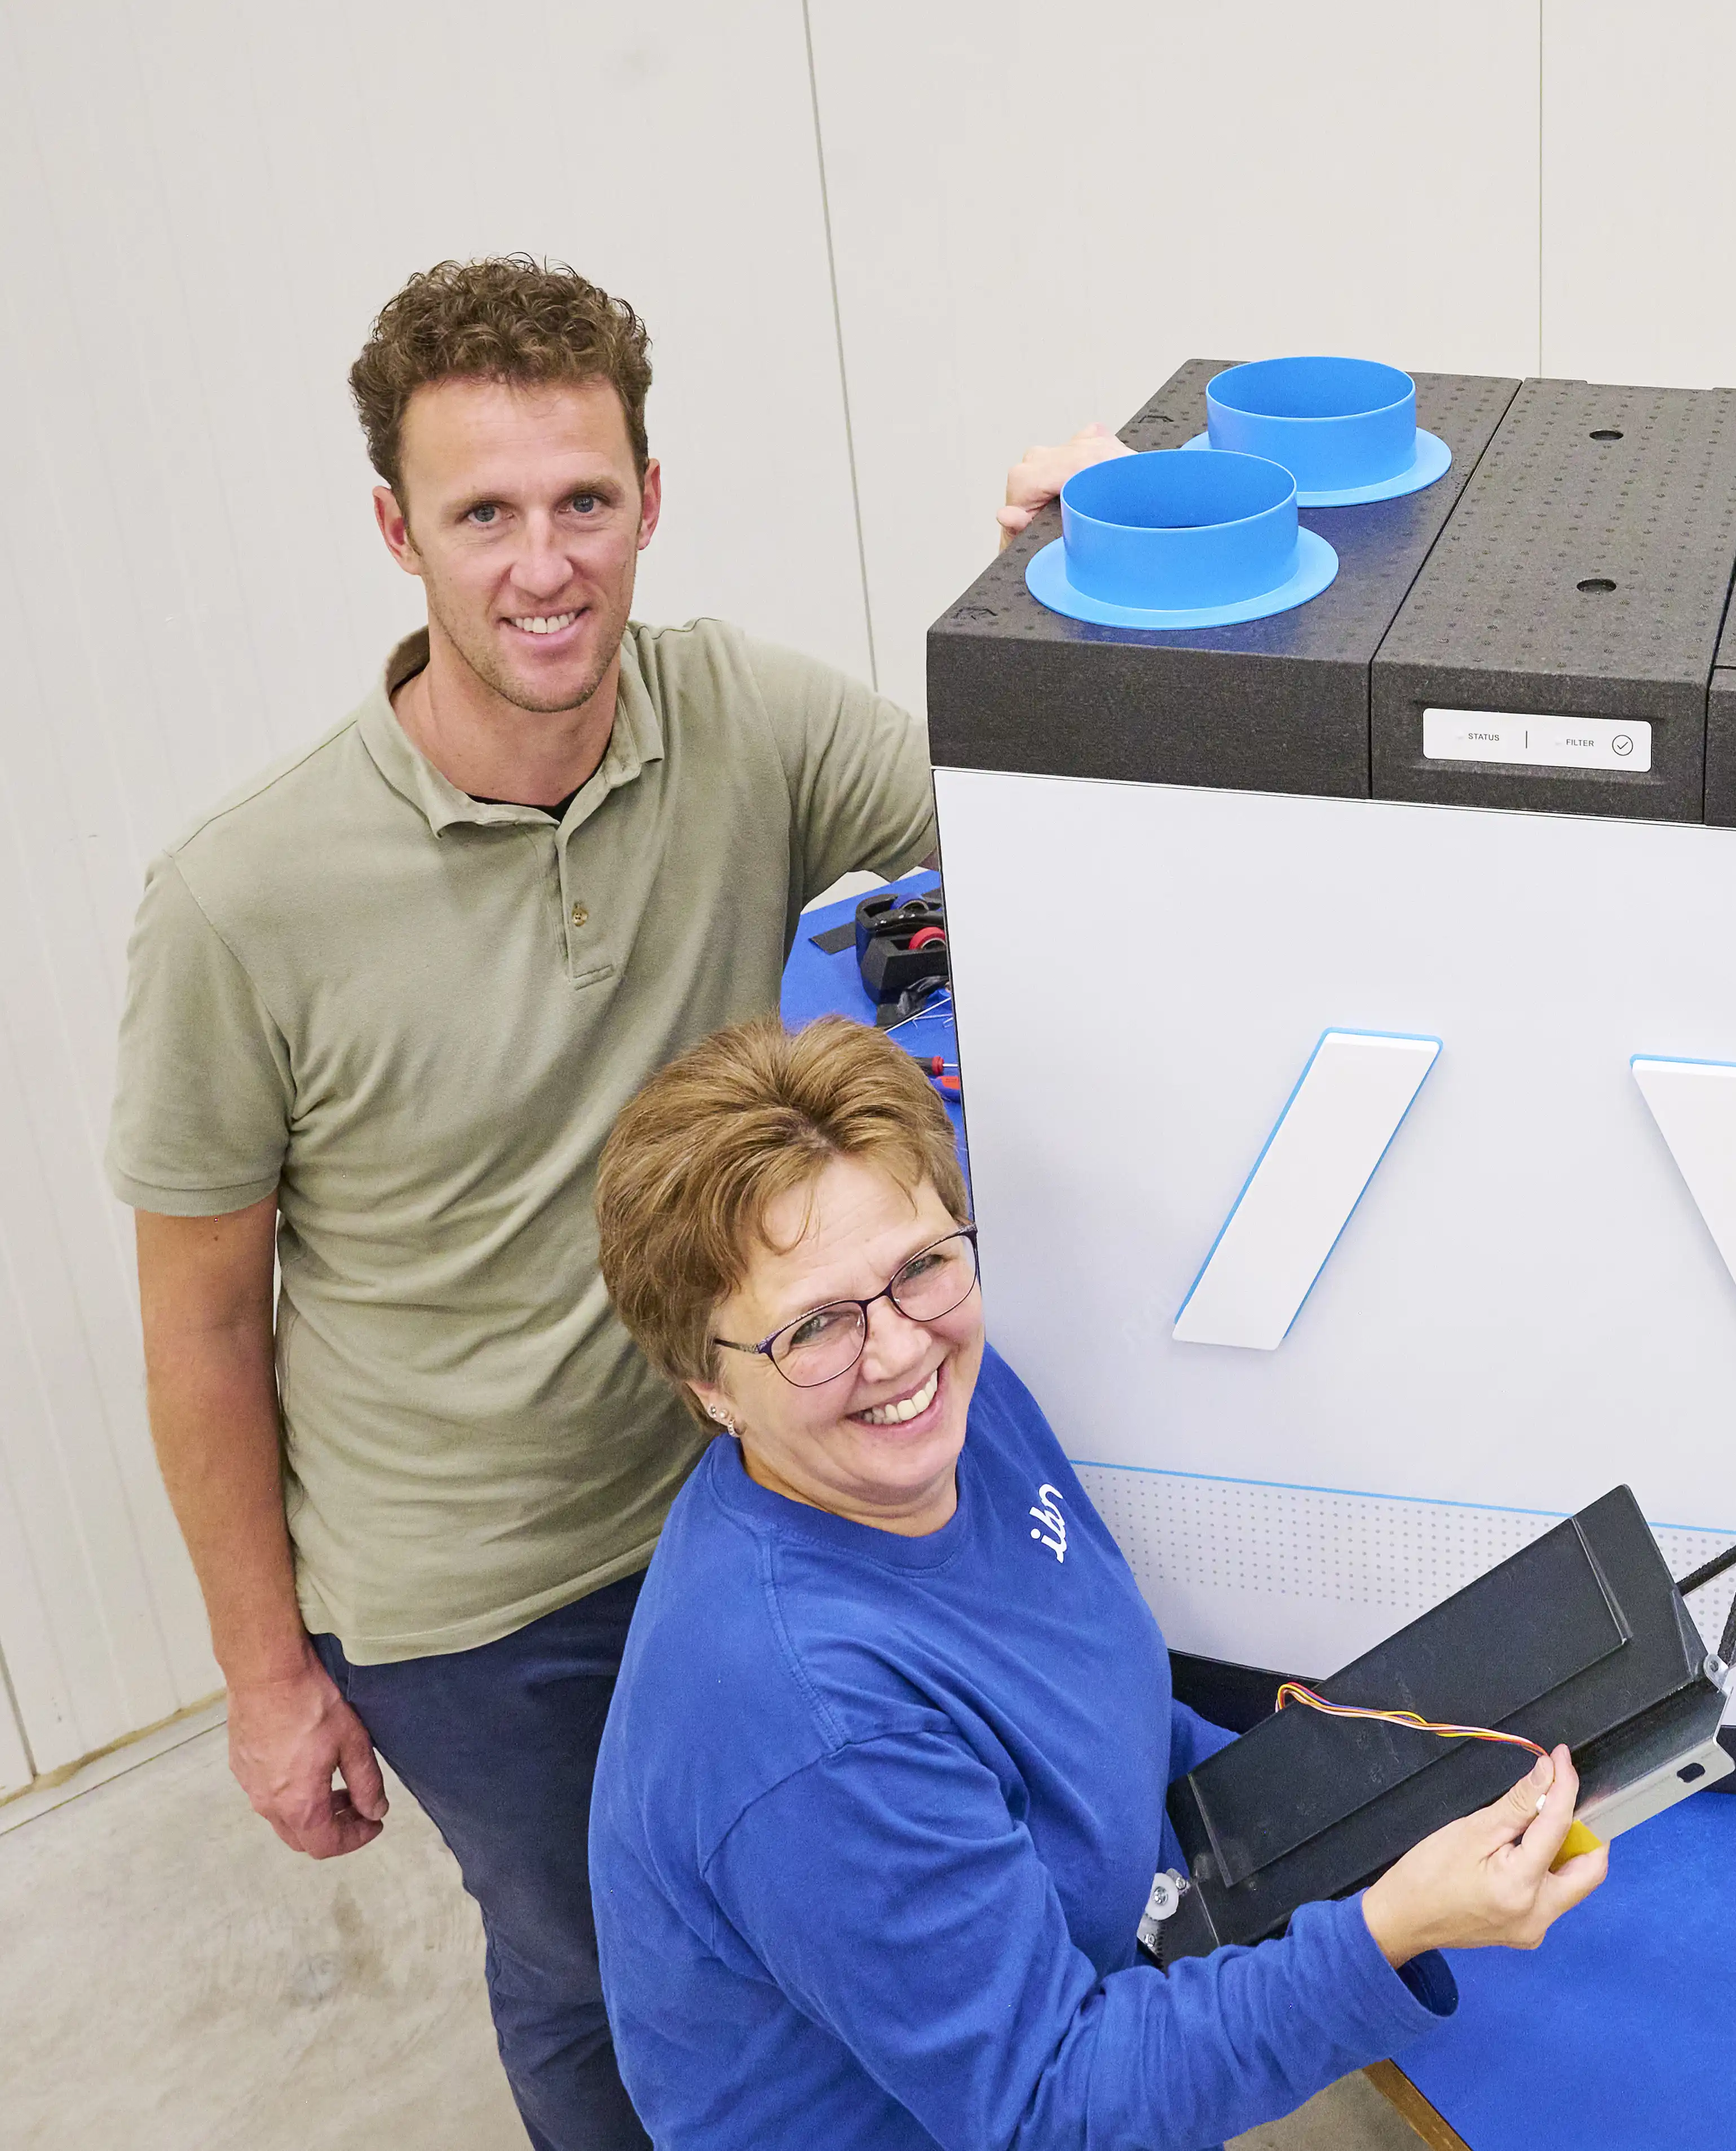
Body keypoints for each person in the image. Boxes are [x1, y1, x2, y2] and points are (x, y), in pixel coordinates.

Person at [107, 254, 1124, 2149]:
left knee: (817, 1946)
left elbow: (1032, 832)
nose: (544, 563)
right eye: (483, 514)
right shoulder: (242, 900)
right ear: (397, 533)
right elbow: (194, 1325)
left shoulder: (737, 717)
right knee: (599, 1964)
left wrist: (1054, 590)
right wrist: (268, 1675)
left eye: (583, 501)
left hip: (751, 1470)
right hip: (481, 1592)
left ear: (648, 501)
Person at [583, 1015, 1602, 2145]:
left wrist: (1364, 1804)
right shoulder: (809, 1718)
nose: (899, 1351)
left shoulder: (952, 1412)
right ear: (705, 1384)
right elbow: (1052, 2108)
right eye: (814, 1325)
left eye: (921, 1262)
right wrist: (1376, 1931)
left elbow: (1089, 1707)